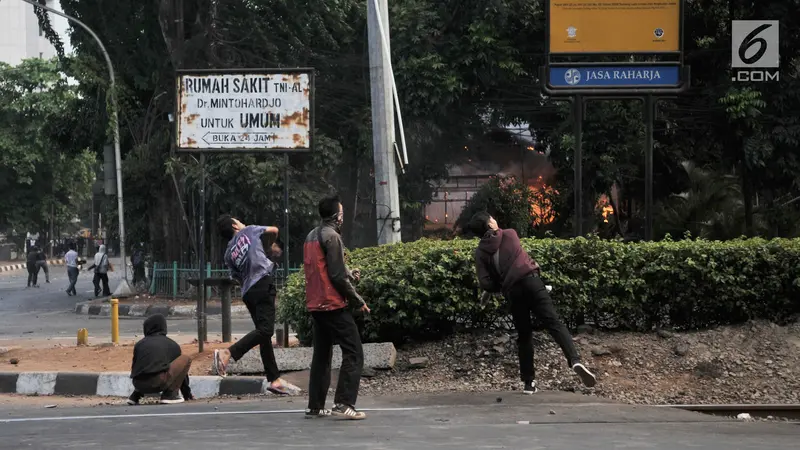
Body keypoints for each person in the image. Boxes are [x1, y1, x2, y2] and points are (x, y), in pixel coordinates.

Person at [468, 212, 597, 394]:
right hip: (532, 282)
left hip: (512, 292)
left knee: (524, 335)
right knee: (554, 323)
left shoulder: (480, 253)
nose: (496, 220)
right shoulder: (510, 234)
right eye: (492, 219)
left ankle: (529, 383)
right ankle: (574, 360)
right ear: (490, 225)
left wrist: (500, 285)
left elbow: (486, 283)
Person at [212, 215, 299, 395]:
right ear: (235, 225)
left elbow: (236, 276)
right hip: (262, 283)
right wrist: (268, 246)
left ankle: (273, 379)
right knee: (266, 331)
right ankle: (228, 353)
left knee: (263, 335)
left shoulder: (228, 254)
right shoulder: (249, 230)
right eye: (238, 221)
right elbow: (274, 230)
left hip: (248, 292)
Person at [303, 194, 370, 420]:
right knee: (354, 352)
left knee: (321, 356)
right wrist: (358, 300)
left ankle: (315, 406)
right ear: (336, 215)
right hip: (331, 304)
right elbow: (337, 276)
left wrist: (350, 274)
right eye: (341, 213)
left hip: (315, 304)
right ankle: (344, 402)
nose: (343, 216)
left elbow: (327, 270)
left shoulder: (312, 235)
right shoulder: (332, 237)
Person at [128, 314, 194, 405]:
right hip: (158, 382)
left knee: (146, 367)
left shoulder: (139, 344)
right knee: (186, 359)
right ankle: (170, 395)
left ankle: (135, 396)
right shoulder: (172, 344)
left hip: (137, 384)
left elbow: (136, 368)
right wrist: (187, 394)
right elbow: (181, 374)